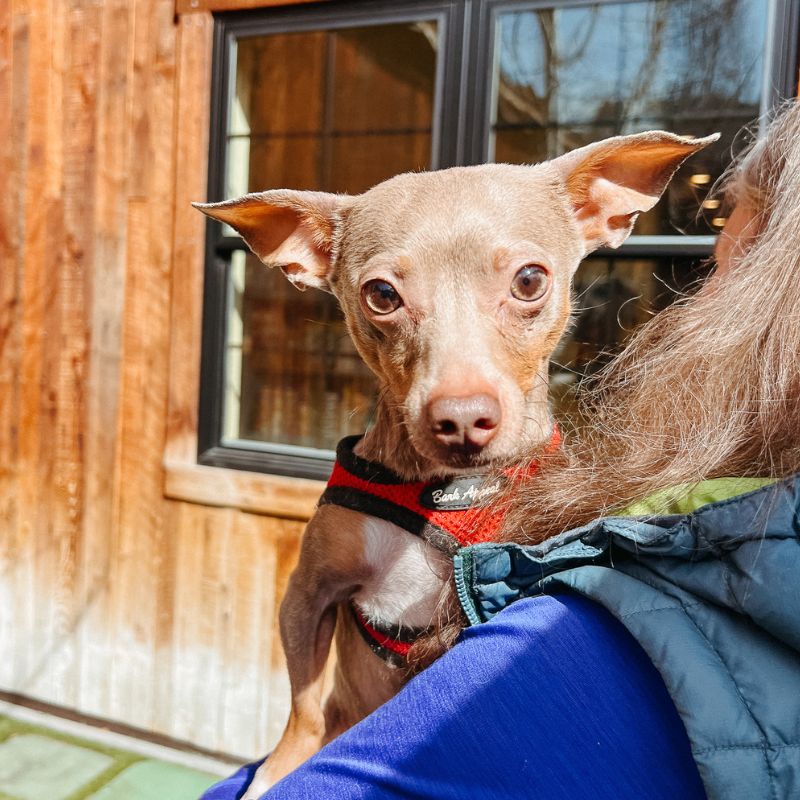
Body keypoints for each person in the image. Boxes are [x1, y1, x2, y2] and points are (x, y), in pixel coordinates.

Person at [201, 102, 800, 800]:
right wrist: (305, 731)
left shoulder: (603, 522)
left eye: (525, 285)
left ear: (600, 207)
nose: (460, 397)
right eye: (386, 298)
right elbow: (309, 599)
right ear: (310, 254)